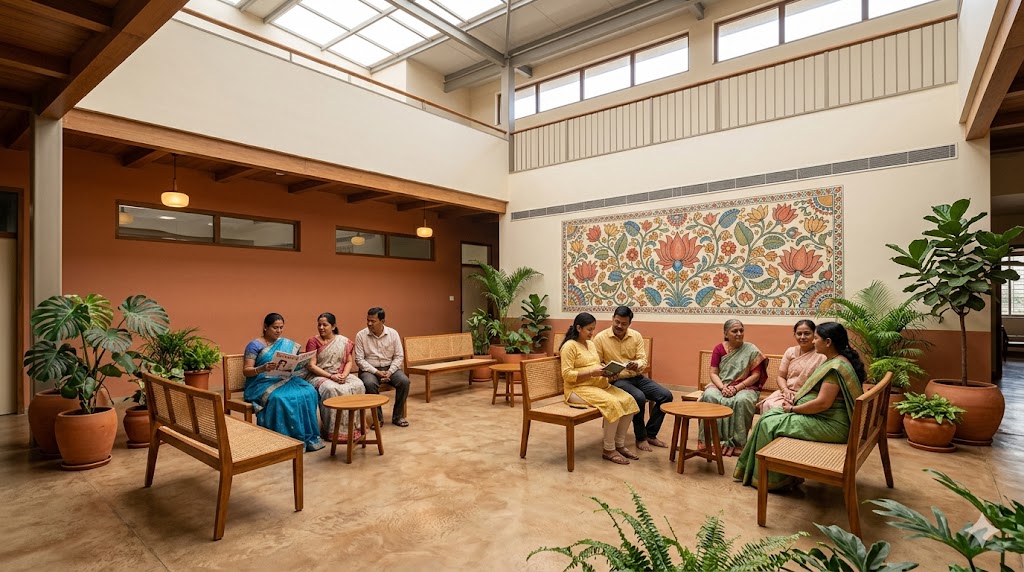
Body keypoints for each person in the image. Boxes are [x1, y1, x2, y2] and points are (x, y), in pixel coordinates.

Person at [734, 322, 866, 490]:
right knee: (768, 416)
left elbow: (822, 403)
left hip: (834, 425)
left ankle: (773, 480)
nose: (813, 341)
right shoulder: (836, 361)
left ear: (828, 342)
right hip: (830, 418)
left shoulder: (835, 367)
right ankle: (774, 474)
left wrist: (793, 409)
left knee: (767, 423)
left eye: (815, 338)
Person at [559, 312, 640, 465]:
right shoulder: (569, 347)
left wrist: (607, 372)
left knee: (629, 400)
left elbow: (595, 364)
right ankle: (608, 449)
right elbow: (567, 375)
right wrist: (592, 372)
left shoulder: (590, 344)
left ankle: (619, 444)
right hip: (578, 389)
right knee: (612, 404)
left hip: (598, 384)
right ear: (578, 328)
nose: (592, 333)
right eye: (589, 329)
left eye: (593, 329)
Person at [593, 306, 673, 452]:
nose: (619, 326)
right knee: (639, 397)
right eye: (617, 322)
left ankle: (650, 434)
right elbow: (596, 362)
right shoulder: (600, 338)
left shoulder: (636, 336)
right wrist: (606, 370)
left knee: (666, 396)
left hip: (636, 376)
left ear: (629, 323)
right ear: (612, 318)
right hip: (617, 379)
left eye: (624, 324)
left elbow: (642, 358)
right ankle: (641, 437)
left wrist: (637, 365)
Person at [243, 313, 325, 452]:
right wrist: (262, 368)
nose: (279, 331)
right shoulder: (254, 345)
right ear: (265, 327)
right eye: (275, 327)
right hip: (261, 383)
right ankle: (282, 439)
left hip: (285, 378)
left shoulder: (286, 343)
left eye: (281, 327)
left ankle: (304, 437)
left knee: (309, 391)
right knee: (280, 398)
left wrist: (299, 363)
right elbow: (246, 371)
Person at [698, 319, 767, 457]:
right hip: (721, 384)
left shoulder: (751, 349)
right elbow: (713, 373)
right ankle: (710, 441)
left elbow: (756, 375)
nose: (739, 333)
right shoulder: (719, 349)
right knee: (710, 396)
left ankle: (737, 443)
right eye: (734, 331)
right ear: (726, 334)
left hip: (746, 387)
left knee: (742, 401)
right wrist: (723, 387)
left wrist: (737, 388)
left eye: (741, 330)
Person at [305, 312, 365, 442]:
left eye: (324, 325)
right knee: (332, 389)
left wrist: (344, 375)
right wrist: (331, 376)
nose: (321, 327)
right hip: (320, 375)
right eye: (319, 325)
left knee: (358, 385)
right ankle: (333, 431)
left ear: (333, 326)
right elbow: (311, 366)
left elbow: (349, 361)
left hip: (341, 374)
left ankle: (355, 429)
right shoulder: (313, 341)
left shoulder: (343, 341)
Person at [355, 307, 410, 428]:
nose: (369, 323)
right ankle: (377, 418)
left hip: (390, 368)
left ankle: (398, 416)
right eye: (368, 320)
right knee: (369, 384)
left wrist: (390, 372)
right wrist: (377, 372)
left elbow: (399, 356)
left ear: (382, 321)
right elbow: (359, 359)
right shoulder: (361, 335)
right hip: (369, 369)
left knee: (404, 381)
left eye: (373, 321)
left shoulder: (393, 333)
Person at [758, 320, 826, 414]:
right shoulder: (790, 352)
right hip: (786, 392)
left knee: (779, 410)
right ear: (794, 335)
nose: (802, 337)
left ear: (814, 335)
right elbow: (781, 376)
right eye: (799, 334)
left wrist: (797, 395)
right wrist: (785, 390)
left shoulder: (821, 355)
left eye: (807, 333)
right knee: (769, 404)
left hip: (808, 395)